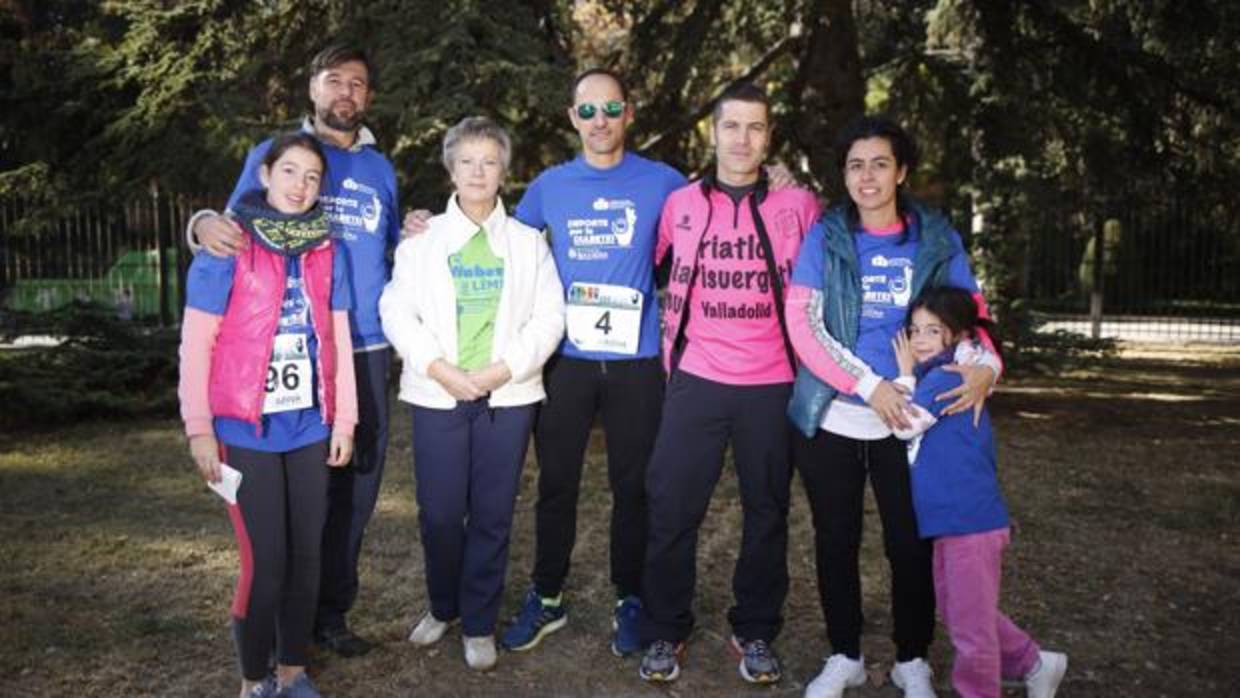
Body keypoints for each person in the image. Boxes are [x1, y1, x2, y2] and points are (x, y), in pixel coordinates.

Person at [185, 44, 400, 657]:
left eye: (358, 84)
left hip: (365, 345)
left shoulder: (381, 169)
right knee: (297, 499)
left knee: (355, 491)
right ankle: (283, 625)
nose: (346, 93)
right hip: (293, 352)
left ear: (369, 98)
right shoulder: (272, 154)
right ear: (312, 88)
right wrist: (200, 222)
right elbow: (230, 228)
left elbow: (386, 249)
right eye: (334, 80)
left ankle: (329, 614)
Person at [786, 115, 1002, 698]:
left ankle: (913, 660)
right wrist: (868, 385)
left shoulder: (935, 237)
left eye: (880, 163)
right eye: (856, 165)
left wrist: (986, 370)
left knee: (910, 541)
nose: (867, 176)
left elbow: (973, 318)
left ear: (901, 171)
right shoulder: (827, 235)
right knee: (835, 539)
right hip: (837, 411)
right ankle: (844, 655)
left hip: (913, 423)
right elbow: (802, 326)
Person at [497, 68, 687, 657]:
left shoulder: (664, 182)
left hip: (636, 362)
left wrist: (775, 184)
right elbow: (507, 248)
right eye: (587, 111)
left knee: (635, 487)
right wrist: (430, 225)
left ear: (628, 113)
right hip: (567, 362)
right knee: (557, 483)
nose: (599, 122)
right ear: (571, 118)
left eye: (610, 109)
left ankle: (631, 597)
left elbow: (712, 224)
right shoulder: (551, 186)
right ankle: (547, 595)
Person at [636, 83, 821, 686]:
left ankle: (757, 630)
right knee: (671, 507)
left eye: (756, 128)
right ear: (712, 133)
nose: (743, 139)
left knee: (766, 510)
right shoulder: (681, 204)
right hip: (696, 379)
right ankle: (665, 628)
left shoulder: (798, 206)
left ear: (769, 137)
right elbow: (648, 264)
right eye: (732, 126)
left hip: (772, 383)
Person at [379, 116, 565, 671]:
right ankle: (444, 605)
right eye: (467, 161)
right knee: (438, 513)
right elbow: (395, 310)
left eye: (489, 161)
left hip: (506, 399)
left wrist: (501, 371)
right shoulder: (422, 242)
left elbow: (549, 317)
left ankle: (479, 620)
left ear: (504, 170)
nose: (478, 171)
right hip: (438, 393)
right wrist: (439, 368)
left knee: (490, 514)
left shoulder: (530, 244)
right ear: (450, 168)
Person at [180, 132, 357, 698]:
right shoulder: (228, 245)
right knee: (266, 562)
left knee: (307, 558)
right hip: (242, 429)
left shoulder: (331, 248)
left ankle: (292, 670)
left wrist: (345, 422)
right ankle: (254, 679)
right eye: (289, 172)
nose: (300, 185)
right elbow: (195, 345)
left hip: (308, 427)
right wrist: (199, 430)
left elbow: (340, 340)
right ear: (264, 175)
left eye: (311, 177)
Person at [891, 286, 1068, 698]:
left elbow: (903, 423)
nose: (918, 340)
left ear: (958, 335)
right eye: (914, 330)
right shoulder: (943, 373)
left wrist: (901, 373)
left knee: (970, 629)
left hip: (968, 522)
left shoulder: (942, 378)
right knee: (960, 613)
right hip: (953, 521)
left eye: (932, 331)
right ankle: (1034, 663)